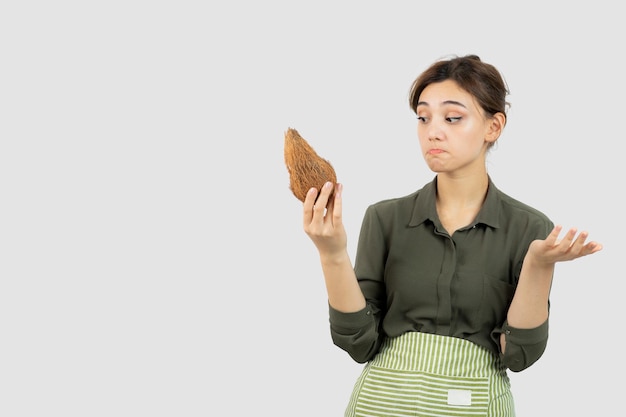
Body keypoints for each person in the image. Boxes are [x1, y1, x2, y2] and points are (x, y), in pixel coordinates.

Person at [301, 54, 602, 417]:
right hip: (381, 404)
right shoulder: (385, 218)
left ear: (494, 127)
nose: (433, 131)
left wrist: (538, 265)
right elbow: (359, 343)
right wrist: (332, 253)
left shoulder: (529, 228)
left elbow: (519, 354)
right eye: (423, 117)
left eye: (453, 118)